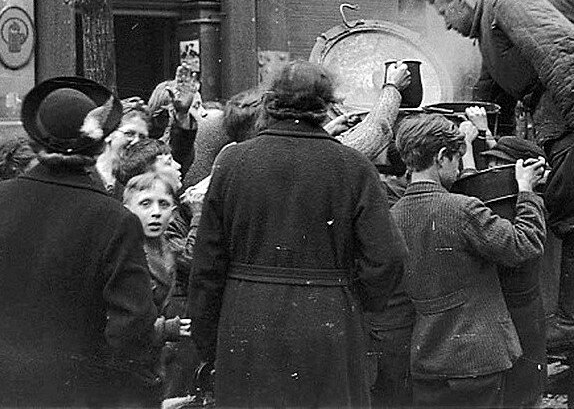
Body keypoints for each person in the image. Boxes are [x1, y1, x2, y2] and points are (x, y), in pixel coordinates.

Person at [424, 0, 574, 350]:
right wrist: (474, 134)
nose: (445, 24)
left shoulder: (506, 4)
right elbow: (489, 94)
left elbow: (558, 47)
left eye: (444, 13)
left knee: (573, 214)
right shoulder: (488, 30)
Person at [188, 61, 406, 407]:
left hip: (246, 321)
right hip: (329, 321)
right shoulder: (353, 167)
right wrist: (352, 300)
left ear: (271, 101)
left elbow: (207, 267)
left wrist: (208, 342)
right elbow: (388, 257)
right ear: (326, 105)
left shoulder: (232, 164)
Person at [0, 76, 158, 406]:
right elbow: (132, 328)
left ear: (35, 141)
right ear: (100, 146)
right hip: (75, 393)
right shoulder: (115, 220)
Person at [391, 114, 546, 408]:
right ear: (440, 158)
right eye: (457, 160)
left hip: (427, 362)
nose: (460, 169)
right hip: (477, 361)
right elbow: (523, 245)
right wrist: (526, 192)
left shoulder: (393, 215)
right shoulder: (461, 209)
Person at [480, 136, 550, 409]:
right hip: (500, 317)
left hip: (522, 311)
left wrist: (527, 190)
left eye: (499, 165)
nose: (491, 170)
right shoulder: (505, 197)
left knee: (525, 390)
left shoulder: (529, 199)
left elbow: (525, 244)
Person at [123, 171, 192, 346]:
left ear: (173, 212)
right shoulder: (124, 253)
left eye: (164, 204)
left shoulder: (168, 247)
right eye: (145, 204)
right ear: (126, 209)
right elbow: (121, 320)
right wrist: (164, 329)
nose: (156, 212)